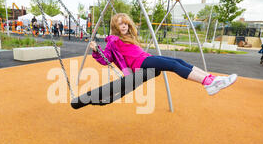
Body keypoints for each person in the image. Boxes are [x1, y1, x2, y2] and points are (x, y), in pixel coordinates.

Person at [90, 13, 237, 96]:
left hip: (145, 59)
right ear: (115, 26)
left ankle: (211, 78)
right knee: (173, 65)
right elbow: (107, 59)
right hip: (138, 65)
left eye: (126, 23)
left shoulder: (128, 37)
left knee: (178, 60)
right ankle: (208, 82)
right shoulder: (113, 40)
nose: (124, 26)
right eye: (120, 24)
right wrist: (97, 50)